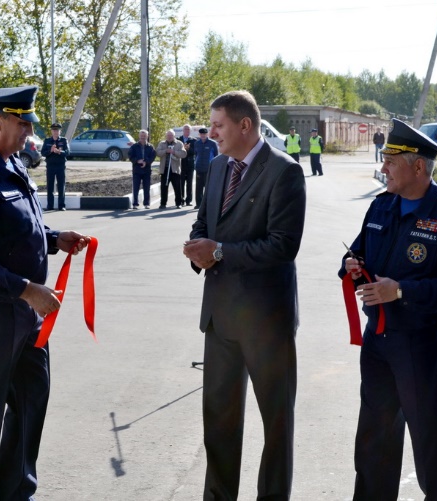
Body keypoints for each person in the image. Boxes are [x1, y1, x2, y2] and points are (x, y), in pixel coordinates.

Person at [0, 86, 91, 500]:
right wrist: (27, 289)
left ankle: (16, 488)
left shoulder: (11, 163)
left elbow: (16, 230)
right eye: (23, 123)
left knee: (31, 399)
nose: (30, 132)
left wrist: (54, 238)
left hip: (25, 312)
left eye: (29, 123)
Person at [340, 118, 437, 501]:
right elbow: (357, 254)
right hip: (379, 342)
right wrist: (352, 268)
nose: (383, 169)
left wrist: (400, 291)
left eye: (390, 161)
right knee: (374, 437)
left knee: (429, 439)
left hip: (420, 344)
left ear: (418, 166)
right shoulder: (381, 207)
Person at [182, 90, 306, 501]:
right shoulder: (217, 167)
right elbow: (204, 221)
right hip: (220, 319)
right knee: (218, 421)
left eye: (218, 125)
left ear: (244, 126)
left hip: (265, 323)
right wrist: (199, 249)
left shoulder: (284, 172)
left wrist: (218, 252)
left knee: (275, 424)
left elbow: (282, 246)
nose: (210, 132)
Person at [41, 122, 69, 211]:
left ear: (60, 131)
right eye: (54, 130)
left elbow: (68, 152)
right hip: (50, 166)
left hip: (60, 166)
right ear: (51, 131)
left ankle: (61, 206)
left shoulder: (64, 140)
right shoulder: (47, 141)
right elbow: (43, 153)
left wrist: (59, 152)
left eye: (57, 130)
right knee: (50, 186)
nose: (55, 132)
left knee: (61, 186)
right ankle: (50, 206)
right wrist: (51, 151)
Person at [156, 129, 186, 208]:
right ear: (166, 136)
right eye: (168, 135)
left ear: (174, 136)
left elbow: (183, 154)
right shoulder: (162, 144)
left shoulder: (179, 143)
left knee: (177, 187)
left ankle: (179, 203)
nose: (169, 137)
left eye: (171, 135)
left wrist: (174, 152)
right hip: (164, 169)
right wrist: (166, 151)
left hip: (175, 169)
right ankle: (163, 203)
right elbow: (158, 152)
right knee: (164, 187)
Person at [128, 129, 156, 209]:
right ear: (139, 136)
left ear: (147, 136)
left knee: (146, 187)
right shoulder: (134, 146)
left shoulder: (150, 147)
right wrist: (137, 160)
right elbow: (130, 156)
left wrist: (146, 162)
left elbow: (153, 156)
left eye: (144, 136)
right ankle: (135, 204)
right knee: (136, 187)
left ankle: (146, 203)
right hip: (137, 170)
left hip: (146, 170)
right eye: (141, 136)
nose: (143, 137)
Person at [193, 127, 218, 209]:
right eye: (201, 134)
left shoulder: (212, 143)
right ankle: (198, 204)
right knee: (199, 187)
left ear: (207, 134)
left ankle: (208, 204)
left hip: (209, 168)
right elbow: (196, 155)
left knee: (208, 187)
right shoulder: (197, 143)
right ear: (199, 134)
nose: (203, 135)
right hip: (199, 168)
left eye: (204, 134)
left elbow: (216, 155)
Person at [178, 124, 197, 206]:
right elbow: (177, 151)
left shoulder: (194, 140)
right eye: (185, 129)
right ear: (183, 130)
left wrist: (188, 149)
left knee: (189, 183)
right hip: (181, 164)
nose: (187, 131)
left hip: (190, 164)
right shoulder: (178, 140)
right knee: (181, 183)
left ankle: (188, 200)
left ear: (190, 131)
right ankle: (181, 200)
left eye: (188, 129)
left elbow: (195, 152)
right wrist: (183, 149)